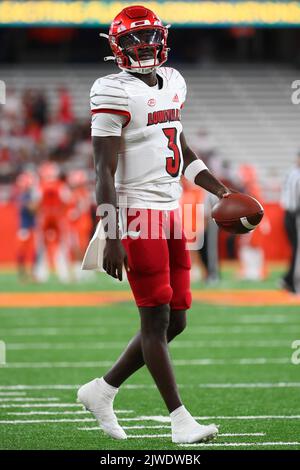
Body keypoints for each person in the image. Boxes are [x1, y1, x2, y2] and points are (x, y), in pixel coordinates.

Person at [77, 5, 230, 444]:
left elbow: (180, 148)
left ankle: (101, 390)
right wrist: (110, 232)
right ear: (115, 48)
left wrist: (220, 190)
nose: (142, 46)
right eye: (131, 40)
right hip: (136, 213)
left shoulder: (175, 83)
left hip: (171, 209)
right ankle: (180, 420)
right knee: (154, 321)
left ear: (163, 39)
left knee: (177, 319)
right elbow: (102, 171)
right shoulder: (111, 90)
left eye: (148, 37)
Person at [280, 153, 300, 293]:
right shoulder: (296, 174)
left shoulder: (292, 172)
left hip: (290, 213)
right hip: (295, 214)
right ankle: (294, 283)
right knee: (297, 250)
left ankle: (288, 280)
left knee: (296, 250)